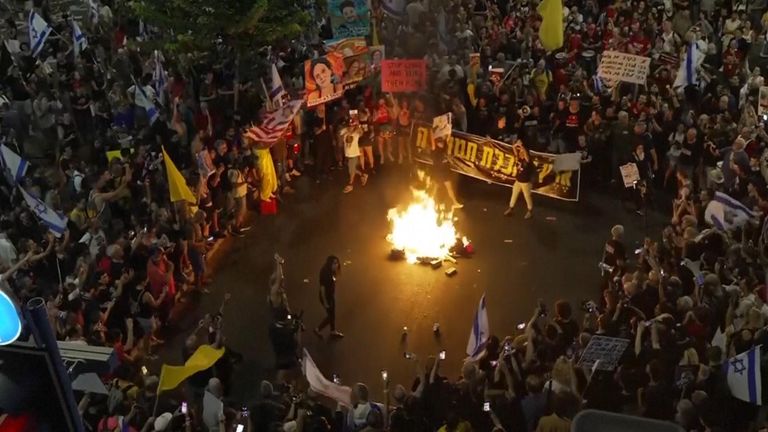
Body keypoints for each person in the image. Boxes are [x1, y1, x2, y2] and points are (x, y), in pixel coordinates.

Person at [314, 255, 343, 338]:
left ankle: (333, 331)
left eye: (337, 263)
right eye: (334, 263)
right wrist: (326, 302)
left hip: (330, 296)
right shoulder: (325, 273)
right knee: (330, 316)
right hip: (326, 297)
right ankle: (317, 329)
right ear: (330, 263)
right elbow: (322, 289)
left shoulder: (331, 271)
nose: (336, 265)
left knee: (332, 314)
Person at [504, 142, 535, 219]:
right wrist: (516, 145)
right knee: (514, 194)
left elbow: (526, 154)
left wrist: (521, 146)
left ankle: (530, 211)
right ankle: (511, 208)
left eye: (522, 152)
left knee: (527, 197)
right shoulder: (519, 159)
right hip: (518, 181)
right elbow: (514, 148)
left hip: (526, 183)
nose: (520, 153)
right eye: (520, 152)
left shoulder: (527, 161)